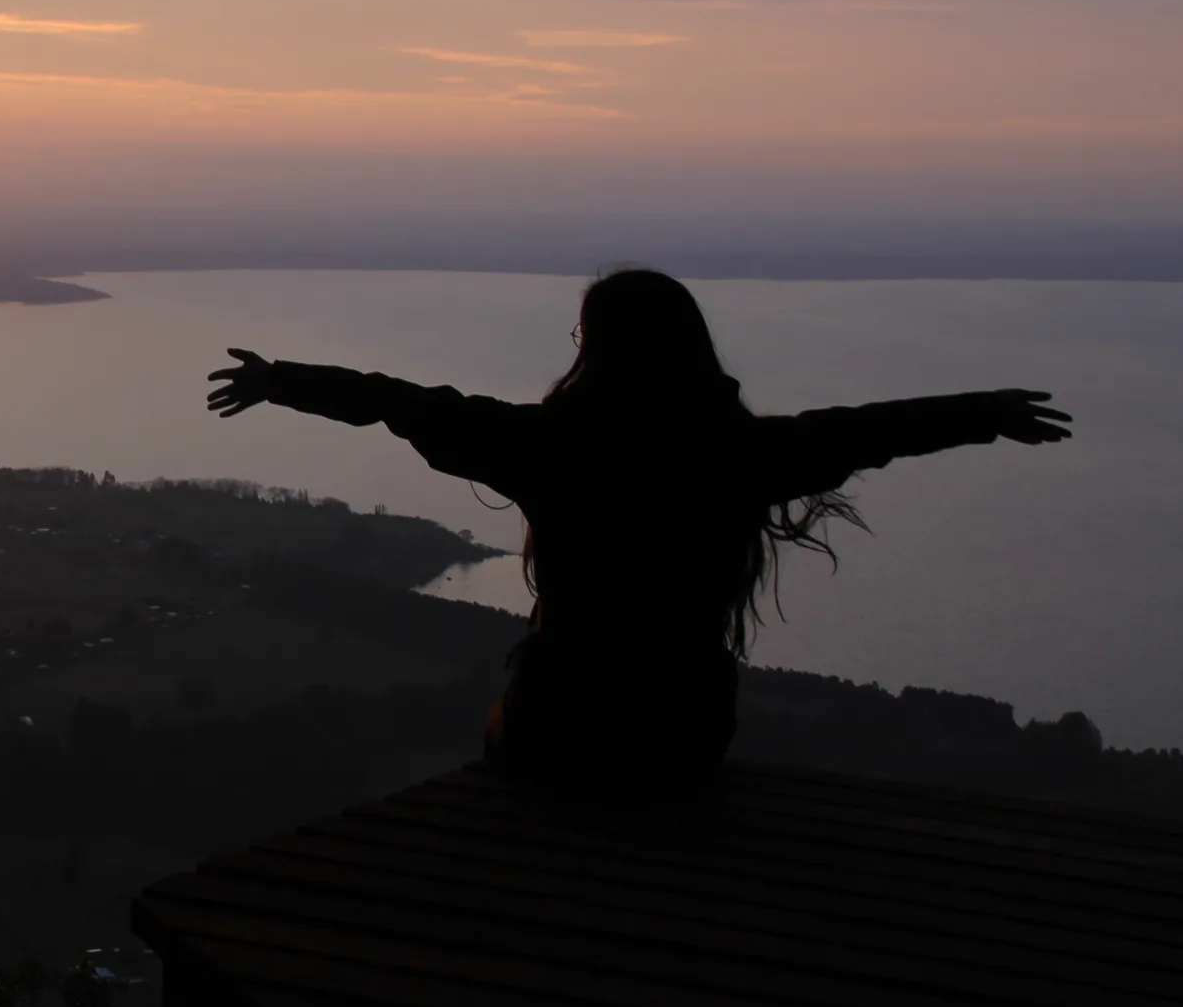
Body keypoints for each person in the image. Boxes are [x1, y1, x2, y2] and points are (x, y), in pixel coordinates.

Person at [206, 268, 1071, 796]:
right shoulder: (738, 452)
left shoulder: (550, 445)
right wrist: (983, 413)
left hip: (559, 722)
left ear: (597, 351)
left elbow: (405, 403)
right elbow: (861, 430)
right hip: (682, 730)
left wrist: (282, 379)